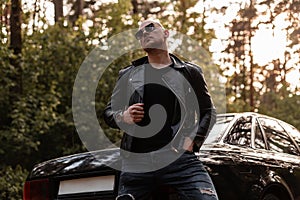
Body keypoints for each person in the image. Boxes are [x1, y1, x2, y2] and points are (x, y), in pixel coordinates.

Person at [103, 19, 218, 200]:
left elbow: (209, 112)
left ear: (166, 33)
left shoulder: (189, 72)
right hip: (136, 162)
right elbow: (109, 112)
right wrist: (123, 116)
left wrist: (193, 140)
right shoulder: (128, 74)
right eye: (139, 33)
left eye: (150, 28)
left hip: (179, 160)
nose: (144, 34)